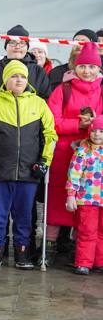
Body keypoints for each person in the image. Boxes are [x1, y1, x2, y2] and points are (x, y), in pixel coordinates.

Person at [0, 60, 57, 270]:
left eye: (22, 76)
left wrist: (44, 161)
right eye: (13, 76)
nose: (18, 80)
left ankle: (22, 251)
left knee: (25, 215)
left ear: (27, 80)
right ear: (5, 80)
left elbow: (49, 135)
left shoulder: (39, 104)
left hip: (29, 172)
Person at [43, 42, 103, 265]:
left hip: (94, 159)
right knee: (57, 203)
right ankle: (48, 247)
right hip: (62, 155)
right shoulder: (62, 89)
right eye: (82, 66)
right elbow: (51, 122)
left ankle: (77, 250)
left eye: (92, 67)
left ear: (99, 69)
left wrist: (95, 124)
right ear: (75, 67)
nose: (87, 71)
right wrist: (78, 125)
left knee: (86, 207)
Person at [66, 117, 103, 275]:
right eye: (94, 130)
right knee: (87, 231)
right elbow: (74, 175)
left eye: (101, 131)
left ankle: (100, 261)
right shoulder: (82, 151)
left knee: (101, 231)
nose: (97, 134)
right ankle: (83, 263)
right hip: (87, 200)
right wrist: (71, 195)